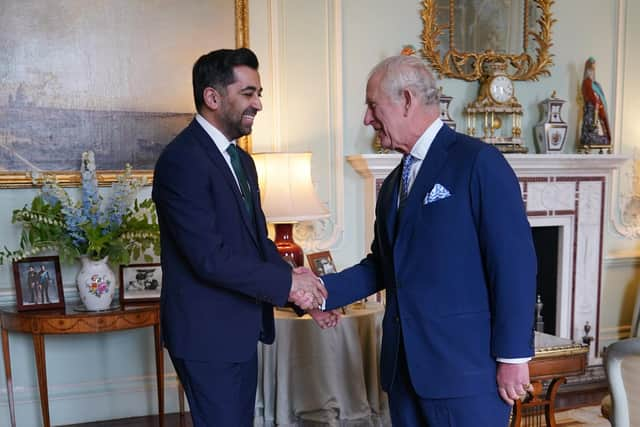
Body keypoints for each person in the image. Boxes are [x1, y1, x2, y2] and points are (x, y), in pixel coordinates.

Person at [319, 55, 537, 426]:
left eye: (373, 106)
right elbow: (383, 266)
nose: (367, 119)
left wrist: (514, 357)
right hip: (404, 372)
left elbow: (514, 264)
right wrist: (320, 291)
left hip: (466, 373)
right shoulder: (392, 185)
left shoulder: (479, 163)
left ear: (406, 100)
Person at [152, 48, 335, 426]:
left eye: (259, 93)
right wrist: (288, 283)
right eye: (249, 93)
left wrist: (304, 296)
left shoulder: (242, 160)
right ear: (213, 97)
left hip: (237, 329)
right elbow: (210, 258)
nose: (259, 104)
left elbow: (257, 242)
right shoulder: (181, 160)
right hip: (205, 336)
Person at [580, 57, 611, 147]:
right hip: (590, 109)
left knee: (598, 124)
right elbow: (589, 96)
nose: (591, 71)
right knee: (589, 125)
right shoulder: (586, 83)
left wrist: (599, 105)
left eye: (593, 69)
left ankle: (605, 137)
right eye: (590, 69)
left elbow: (599, 98)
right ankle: (588, 137)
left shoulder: (596, 84)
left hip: (597, 109)